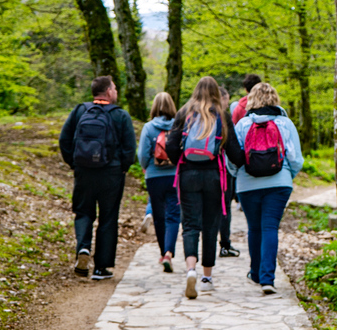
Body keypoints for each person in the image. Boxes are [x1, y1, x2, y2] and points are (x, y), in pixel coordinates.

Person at [164, 77, 244, 299]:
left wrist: (181, 159)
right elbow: (236, 153)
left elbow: (171, 144)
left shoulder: (184, 112)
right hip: (214, 176)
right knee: (211, 225)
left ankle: (191, 269)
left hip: (187, 174)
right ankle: (207, 277)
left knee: (190, 224)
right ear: (216, 93)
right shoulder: (222, 115)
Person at [59, 75, 136, 280]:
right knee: (108, 218)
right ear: (109, 92)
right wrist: (122, 168)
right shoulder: (120, 116)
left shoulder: (80, 111)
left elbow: (64, 140)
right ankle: (101, 268)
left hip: (84, 171)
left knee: (83, 212)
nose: (117, 92)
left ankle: (83, 249)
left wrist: (74, 164)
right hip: (111, 173)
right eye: (115, 88)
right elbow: (130, 149)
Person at [229, 82, 304, 295]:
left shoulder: (242, 125)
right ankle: (267, 279)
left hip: (247, 184)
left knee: (254, 228)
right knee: (270, 227)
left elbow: (233, 158)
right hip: (278, 183)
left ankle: (254, 272)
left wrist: (238, 177)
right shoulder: (285, 123)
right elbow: (295, 158)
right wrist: (288, 176)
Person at [138, 92, 180, 272]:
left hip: (154, 176)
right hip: (175, 176)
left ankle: (163, 253)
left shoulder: (149, 127)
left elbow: (142, 154)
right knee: (173, 215)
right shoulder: (179, 125)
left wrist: (147, 167)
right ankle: (170, 252)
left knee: (159, 216)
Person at [217, 87, 240, 258]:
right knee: (225, 207)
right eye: (227, 99)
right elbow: (233, 149)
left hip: (201, 169)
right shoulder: (224, 117)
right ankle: (225, 244)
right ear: (222, 99)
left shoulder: (196, 114)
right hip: (223, 169)